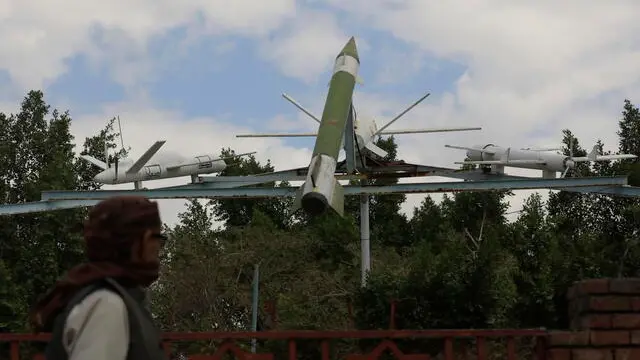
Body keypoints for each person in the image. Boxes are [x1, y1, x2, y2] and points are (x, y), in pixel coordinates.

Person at [30, 195, 168, 360]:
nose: (159, 248)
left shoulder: (109, 296)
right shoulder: (107, 305)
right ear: (143, 240)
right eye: (158, 238)